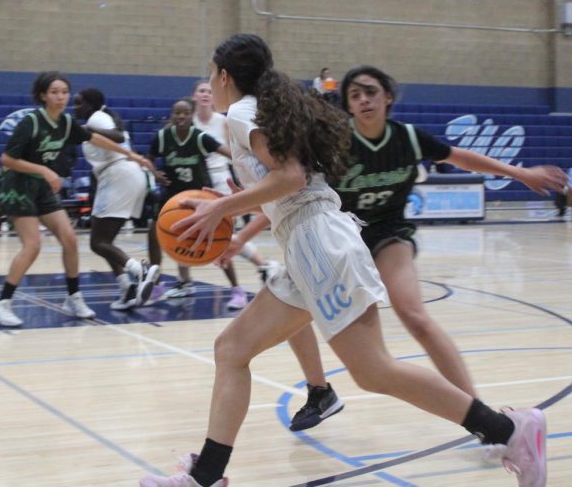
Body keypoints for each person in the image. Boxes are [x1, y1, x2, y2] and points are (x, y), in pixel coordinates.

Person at [139, 34, 547, 487]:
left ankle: (509, 429)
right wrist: (230, 206)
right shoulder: (256, 112)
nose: (208, 84)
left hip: (318, 243)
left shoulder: (239, 113)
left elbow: (290, 178)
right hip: (307, 244)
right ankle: (207, 475)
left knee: (375, 371)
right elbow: (283, 181)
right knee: (232, 350)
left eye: (210, 74)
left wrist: (222, 210)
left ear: (223, 75)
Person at [268, 65, 568, 432]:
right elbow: (294, 187)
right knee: (290, 300)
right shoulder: (337, 140)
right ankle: (320, 391)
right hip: (339, 238)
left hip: (388, 234)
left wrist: (521, 173)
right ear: (347, 105)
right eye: (355, 95)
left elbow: (462, 157)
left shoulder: (408, 137)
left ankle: (482, 417)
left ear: (387, 97)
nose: (363, 100)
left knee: (413, 315)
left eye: (370, 92)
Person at [0, 72, 154, 328]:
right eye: (54, 92)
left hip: (41, 189)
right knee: (32, 246)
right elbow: (6, 160)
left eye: (64, 92)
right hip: (18, 187)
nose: (61, 97)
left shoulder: (65, 123)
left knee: (70, 240)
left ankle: (73, 298)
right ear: (43, 95)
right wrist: (45, 170)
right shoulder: (31, 122)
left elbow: (95, 138)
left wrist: (133, 156)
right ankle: (1, 304)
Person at [73, 88, 160, 311]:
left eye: (79, 103)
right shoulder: (102, 116)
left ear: (91, 104)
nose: (76, 107)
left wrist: (87, 130)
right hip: (125, 176)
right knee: (106, 241)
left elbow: (118, 137)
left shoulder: (96, 118)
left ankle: (139, 271)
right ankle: (126, 288)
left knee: (98, 243)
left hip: (118, 175)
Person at [145, 98, 237, 304]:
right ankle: (160, 285)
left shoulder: (199, 137)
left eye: (185, 113)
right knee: (154, 234)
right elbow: (148, 157)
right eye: (177, 113)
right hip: (173, 198)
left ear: (191, 115)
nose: (181, 117)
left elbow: (226, 152)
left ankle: (236, 289)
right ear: (172, 115)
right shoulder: (162, 137)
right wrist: (155, 173)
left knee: (218, 239)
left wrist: (244, 161)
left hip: (198, 197)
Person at [191, 80, 269, 310]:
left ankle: (241, 287)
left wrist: (242, 189)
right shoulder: (189, 121)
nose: (205, 94)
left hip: (221, 180)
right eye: (201, 91)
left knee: (221, 237)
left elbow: (235, 155)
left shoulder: (225, 121)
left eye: (208, 90)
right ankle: (264, 266)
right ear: (194, 96)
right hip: (199, 181)